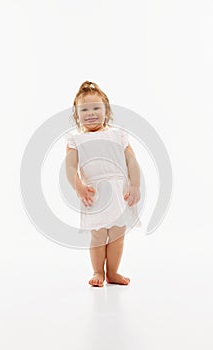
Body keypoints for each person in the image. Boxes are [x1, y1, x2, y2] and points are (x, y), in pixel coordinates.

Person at [65, 81, 141, 287]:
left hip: (119, 191)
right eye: (84, 109)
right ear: (76, 114)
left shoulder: (118, 135)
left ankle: (113, 272)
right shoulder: (75, 139)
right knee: (98, 235)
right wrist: (78, 186)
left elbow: (131, 161)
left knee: (117, 234)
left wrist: (135, 185)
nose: (91, 113)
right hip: (95, 192)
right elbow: (71, 167)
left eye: (96, 108)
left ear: (106, 111)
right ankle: (98, 271)